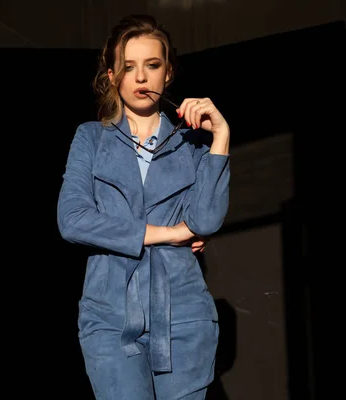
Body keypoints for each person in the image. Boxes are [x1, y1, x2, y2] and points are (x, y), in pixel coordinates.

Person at [56, 14, 231, 400]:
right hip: (110, 314)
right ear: (112, 75)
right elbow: (72, 220)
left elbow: (206, 219)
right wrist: (169, 233)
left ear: (168, 73)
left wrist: (220, 136)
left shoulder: (192, 145)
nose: (140, 78)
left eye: (151, 65)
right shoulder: (91, 138)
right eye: (129, 67)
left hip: (183, 315)